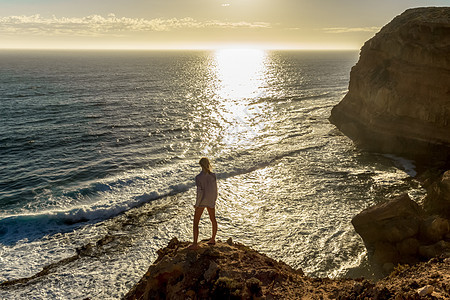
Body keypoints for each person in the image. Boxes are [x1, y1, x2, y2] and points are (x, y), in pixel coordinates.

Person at [189, 157, 218, 249]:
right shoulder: (213, 175)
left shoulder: (198, 177)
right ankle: (213, 239)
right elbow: (215, 189)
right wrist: (214, 200)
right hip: (210, 200)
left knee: (196, 223)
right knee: (213, 219)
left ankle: (195, 244)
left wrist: (197, 205)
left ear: (200, 165)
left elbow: (200, 192)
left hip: (202, 201)